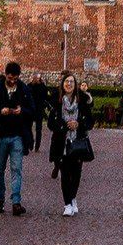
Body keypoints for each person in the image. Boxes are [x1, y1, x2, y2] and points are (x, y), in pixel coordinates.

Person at [0, 61, 34, 215]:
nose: (12, 81)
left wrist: (22, 111)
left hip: (17, 136)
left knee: (16, 169)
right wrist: (0, 111)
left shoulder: (24, 89)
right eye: (10, 78)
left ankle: (16, 202)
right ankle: (0, 199)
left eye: (15, 78)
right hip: (0, 136)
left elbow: (32, 110)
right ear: (6, 74)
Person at [48, 72, 95, 217]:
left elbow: (90, 121)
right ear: (63, 84)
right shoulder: (57, 102)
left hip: (78, 142)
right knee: (64, 173)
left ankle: (73, 197)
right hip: (61, 143)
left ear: (75, 85)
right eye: (66, 82)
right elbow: (51, 123)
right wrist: (64, 125)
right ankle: (67, 203)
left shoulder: (81, 102)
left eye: (71, 82)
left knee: (76, 174)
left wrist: (78, 124)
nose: (69, 84)